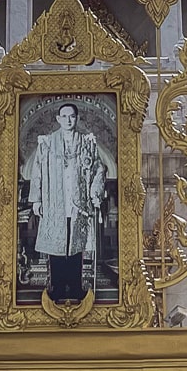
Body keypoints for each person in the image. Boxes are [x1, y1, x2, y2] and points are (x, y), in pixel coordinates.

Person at [23, 102, 110, 302]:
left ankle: (75, 286)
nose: (69, 120)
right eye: (65, 116)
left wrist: (95, 193)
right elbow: (37, 172)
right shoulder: (46, 143)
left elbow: (98, 168)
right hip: (55, 201)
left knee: (75, 246)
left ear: (77, 118)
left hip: (78, 202)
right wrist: (36, 200)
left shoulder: (87, 141)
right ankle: (58, 286)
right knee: (57, 246)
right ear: (58, 119)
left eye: (72, 116)